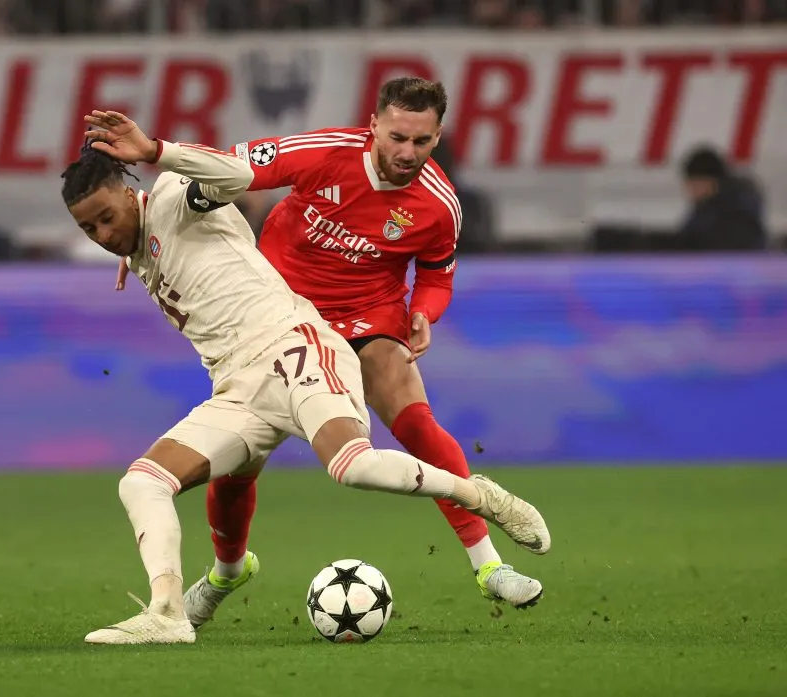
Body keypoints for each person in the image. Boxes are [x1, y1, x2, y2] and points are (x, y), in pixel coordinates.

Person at [66, 110, 550, 645]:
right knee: (142, 481)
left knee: (352, 466)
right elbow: (147, 241)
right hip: (238, 389)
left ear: (129, 191)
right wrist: (131, 240)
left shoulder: (178, 195)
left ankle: (480, 497)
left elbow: (226, 175)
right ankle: (166, 613)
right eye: (89, 229)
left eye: (106, 218)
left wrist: (157, 151)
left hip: (295, 348)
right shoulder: (138, 245)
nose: (102, 235)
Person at [179, 77, 544, 627]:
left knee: (417, 424)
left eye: (421, 141)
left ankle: (489, 565)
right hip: (279, 317)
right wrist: (167, 179)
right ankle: (228, 572)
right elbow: (237, 168)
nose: (407, 152)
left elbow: (438, 275)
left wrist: (425, 312)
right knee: (236, 467)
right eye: (397, 136)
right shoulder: (325, 153)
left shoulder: (440, 205)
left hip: (367, 317)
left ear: (438, 136)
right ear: (374, 124)